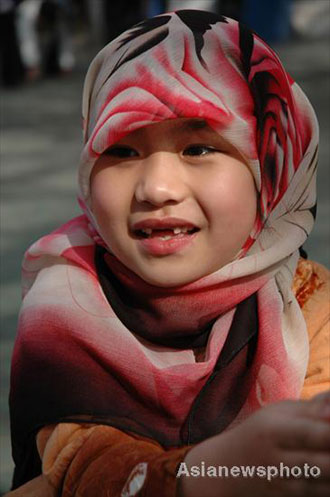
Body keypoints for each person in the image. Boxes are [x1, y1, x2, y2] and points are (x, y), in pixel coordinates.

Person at [7, 9, 330, 497]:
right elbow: (81, 465)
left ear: (272, 167)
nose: (156, 188)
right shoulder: (67, 305)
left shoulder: (311, 305)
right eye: (121, 151)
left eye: (199, 149)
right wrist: (212, 474)